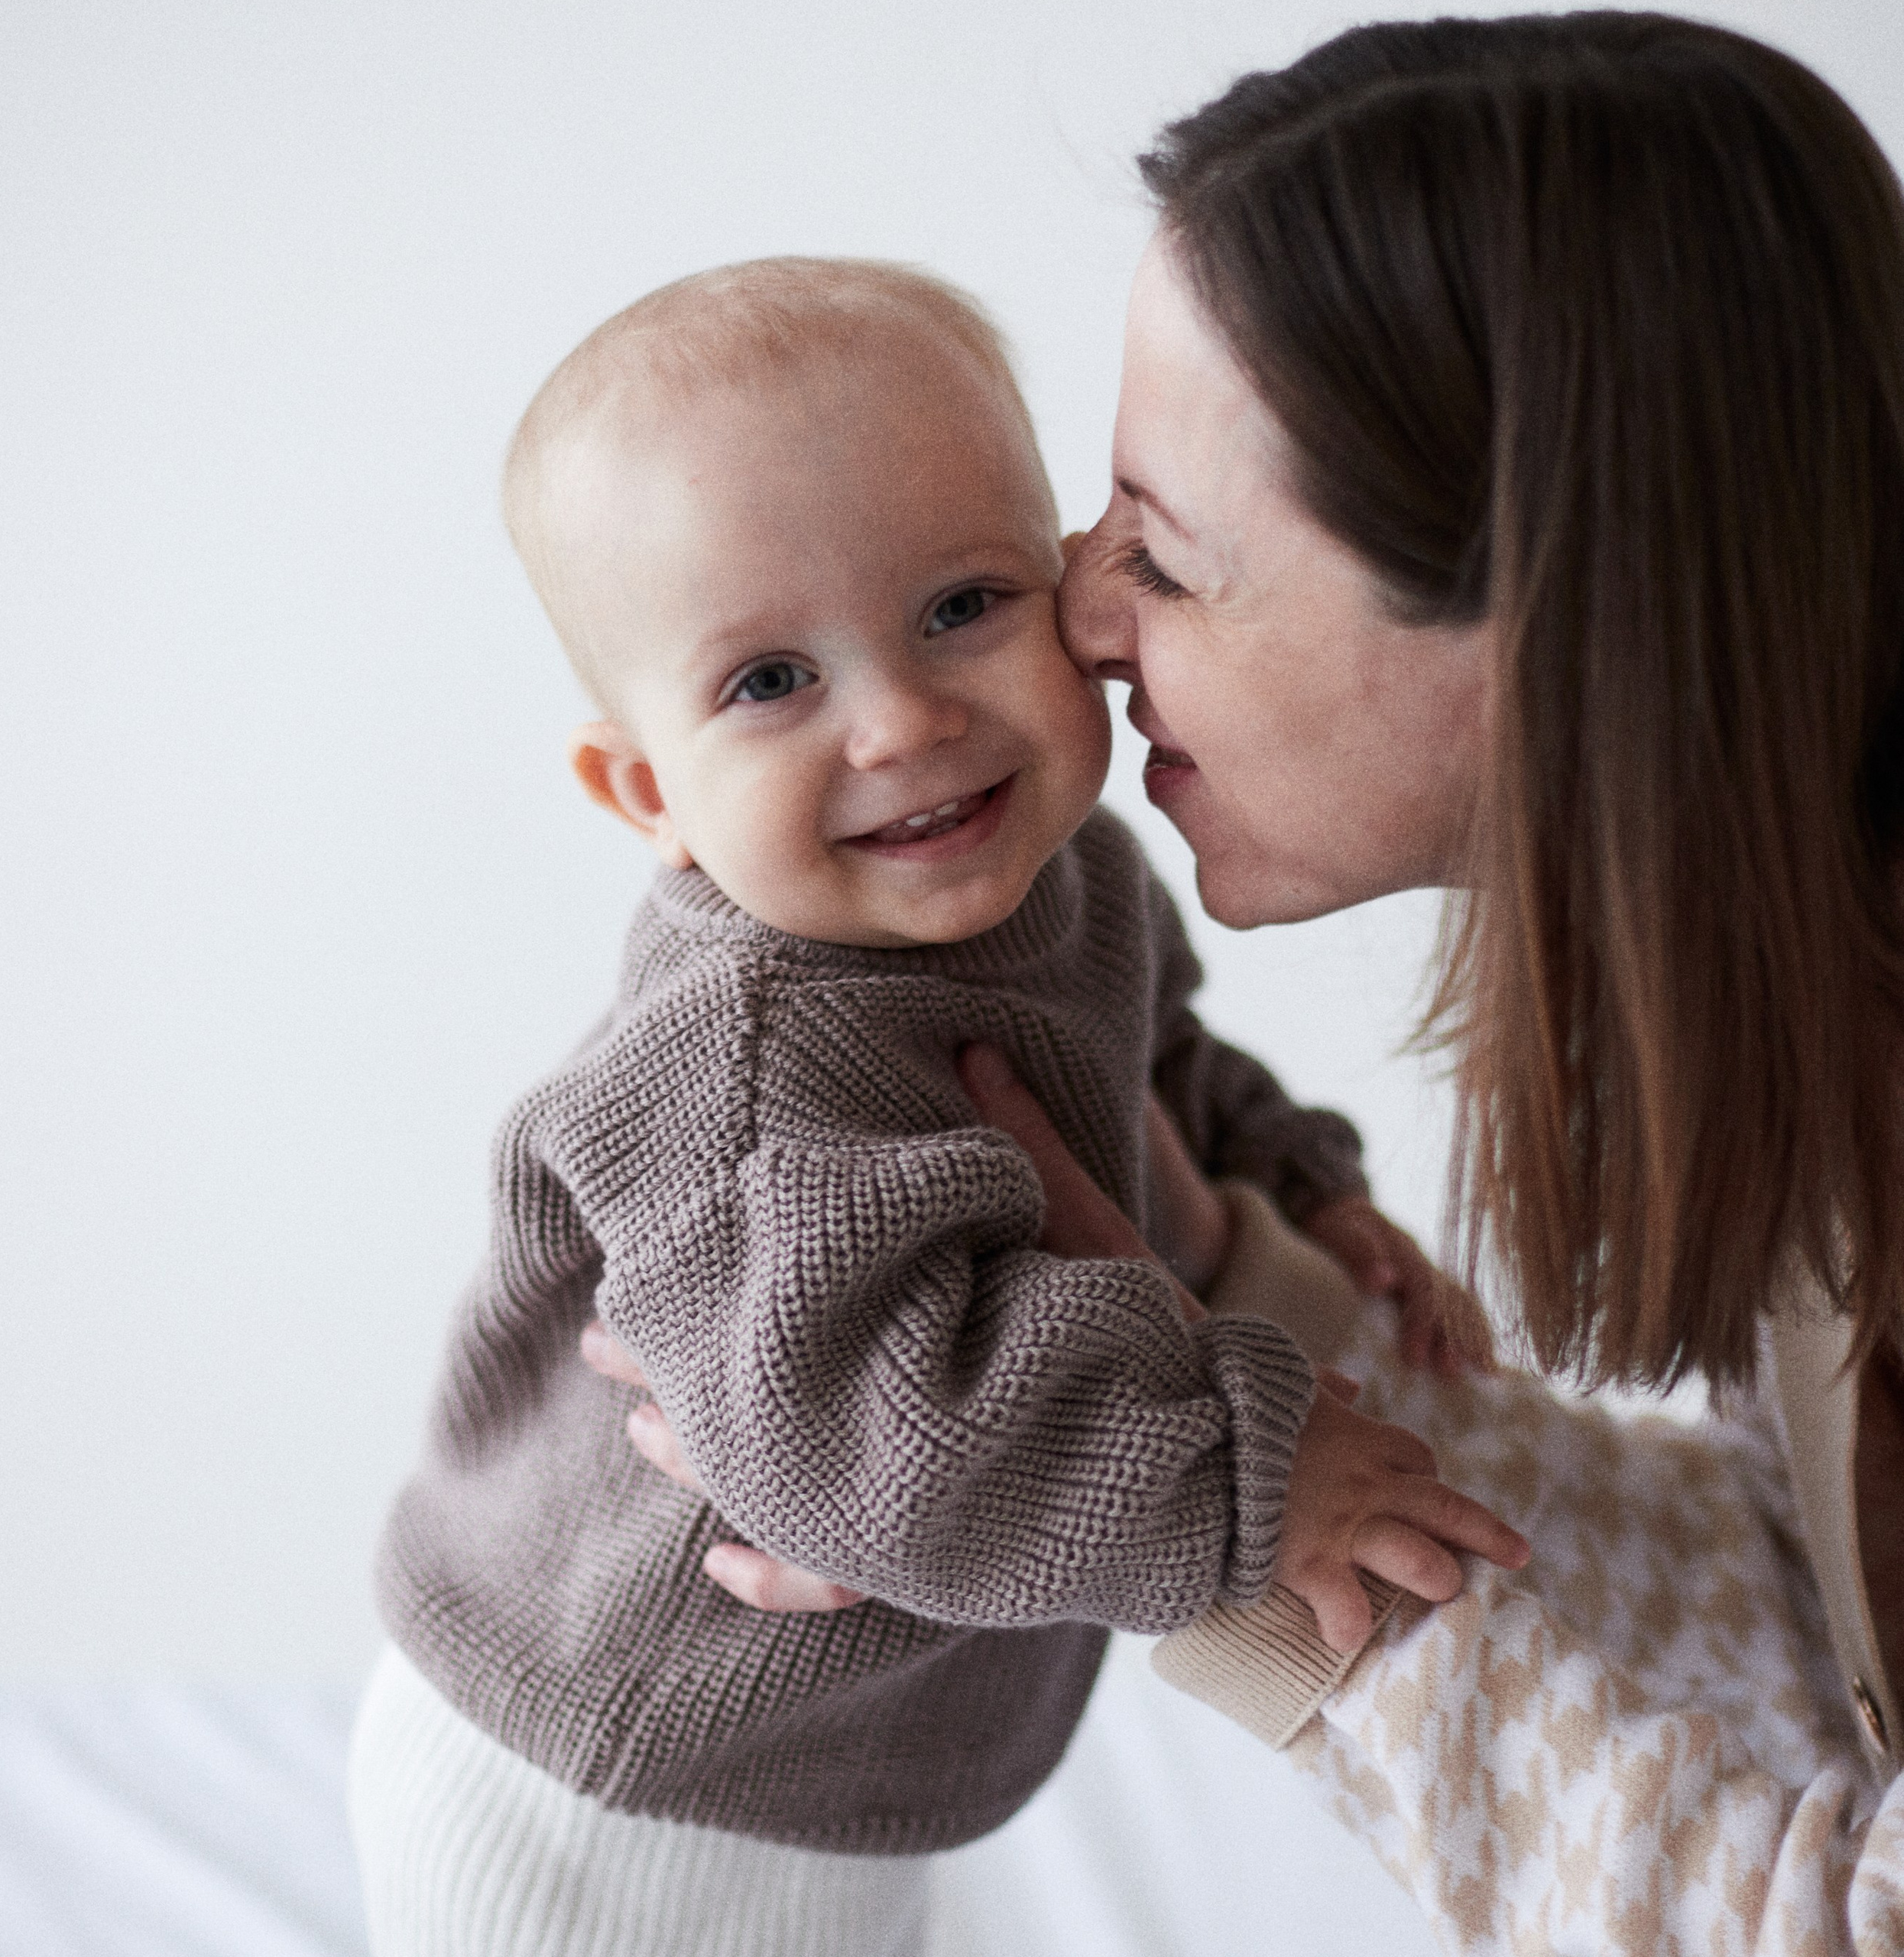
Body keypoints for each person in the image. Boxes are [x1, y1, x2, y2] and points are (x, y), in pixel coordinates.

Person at [599, 15, 1904, 1951]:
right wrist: (1202, 1293)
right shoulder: (1814, 1010)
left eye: (1172, 556)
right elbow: (1810, 1616)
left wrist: (1195, 1520)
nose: (1083, 616)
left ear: (1551, 622)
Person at [348, 255, 1527, 1957]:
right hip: (614, 1779)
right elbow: (866, 1434)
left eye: (960, 604)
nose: (903, 720)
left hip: (825, 1766)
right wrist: (1254, 1470)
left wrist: (1299, 1186)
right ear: (644, 789)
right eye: (768, 681)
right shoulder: (746, 1068)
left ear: (1067, 586)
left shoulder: (1073, 878)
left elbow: (1156, 1073)